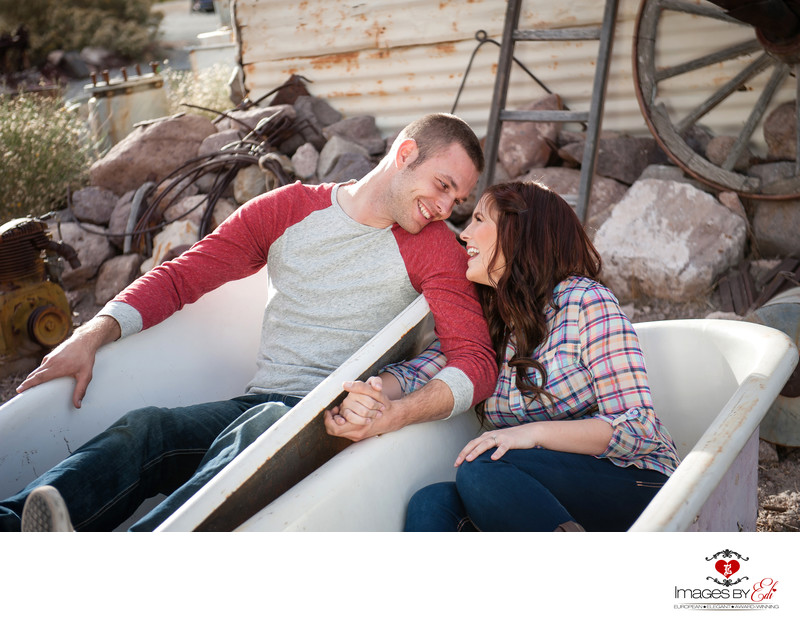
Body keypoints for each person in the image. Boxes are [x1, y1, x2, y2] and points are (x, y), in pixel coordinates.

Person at [0, 113, 498, 532]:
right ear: (406, 152)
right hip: (259, 403)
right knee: (146, 428)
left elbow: (475, 360)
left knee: (262, 425)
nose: (445, 209)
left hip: (322, 422)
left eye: (457, 201)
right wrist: (92, 333)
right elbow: (182, 276)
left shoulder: (434, 247)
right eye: (443, 186)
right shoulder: (288, 209)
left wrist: (399, 412)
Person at [330, 180, 681, 532]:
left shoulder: (585, 302)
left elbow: (639, 427)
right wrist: (372, 399)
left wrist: (531, 434)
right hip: (535, 489)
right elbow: (418, 374)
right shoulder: (489, 321)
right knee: (432, 503)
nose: (464, 234)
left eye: (480, 219)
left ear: (519, 232)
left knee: (484, 464)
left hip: (638, 484)